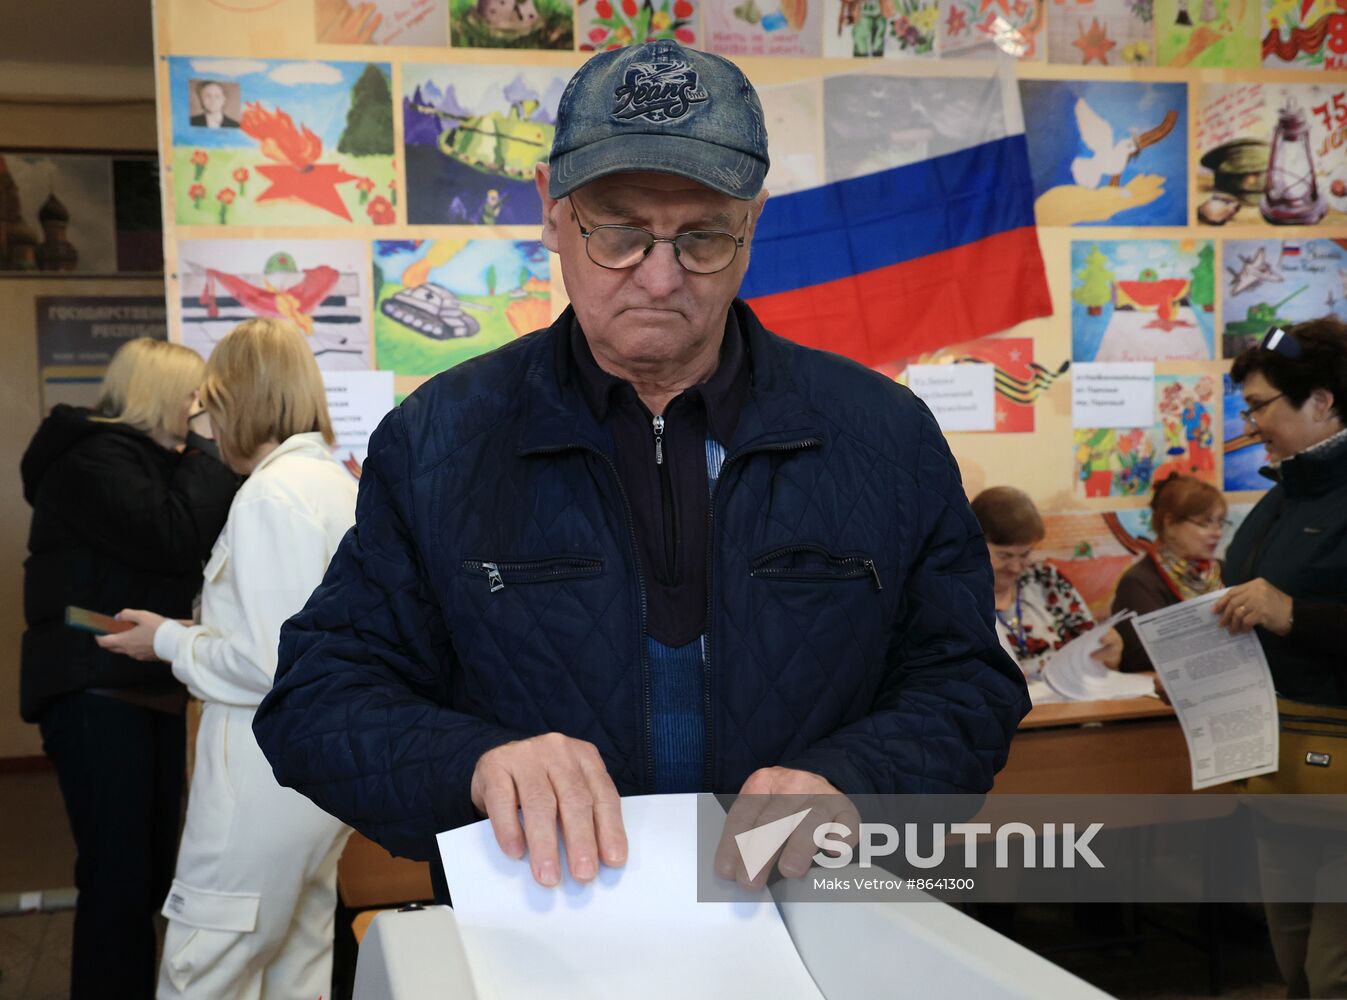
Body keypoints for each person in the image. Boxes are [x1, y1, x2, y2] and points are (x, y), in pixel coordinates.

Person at [252, 39, 1030, 894]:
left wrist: (859, 782)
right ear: (552, 211)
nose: (660, 279)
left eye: (702, 237)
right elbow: (318, 700)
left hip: (810, 916)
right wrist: (474, 763)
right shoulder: (440, 440)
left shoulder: (884, 435)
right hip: (543, 928)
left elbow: (966, 684)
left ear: (753, 222)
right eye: (619, 233)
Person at [98, 319, 356, 999]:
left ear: (240, 402)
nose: (204, 431)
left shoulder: (271, 494)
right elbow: (298, 633)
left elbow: (272, 665)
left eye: (208, 407)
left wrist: (167, 641)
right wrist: (204, 630)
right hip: (316, 772)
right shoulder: (328, 482)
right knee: (297, 963)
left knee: (202, 965)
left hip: (259, 770)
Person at [20, 338, 237, 999]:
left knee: (143, 877)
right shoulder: (93, 458)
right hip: (96, 688)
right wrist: (206, 446)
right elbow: (174, 534)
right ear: (163, 394)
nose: (201, 408)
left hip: (142, 688)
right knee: (118, 880)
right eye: (194, 394)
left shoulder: (139, 460)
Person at [1217, 320, 1347, 999]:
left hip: (1337, 766)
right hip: (1276, 765)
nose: (1251, 425)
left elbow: (1282, 609)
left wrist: (1293, 613)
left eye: (1260, 406)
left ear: (1321, 402)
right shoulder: (1282, 495)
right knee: (1291, 964)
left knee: (1332, 975)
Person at [970, 486, 1123, 688]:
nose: (1016, 567)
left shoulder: (1046, 579)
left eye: (1025, 554)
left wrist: (1110, 653)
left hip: (1069, 702)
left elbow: (1092, 651)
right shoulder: (956, 596)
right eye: (1005, 556)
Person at [1111, 474, 1228, 673]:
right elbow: (1143, 657)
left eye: (1220, 522)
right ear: (1170, 523)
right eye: (1205, 523)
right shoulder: (1139, 583)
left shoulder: (1224, 570)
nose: (1217, 533)